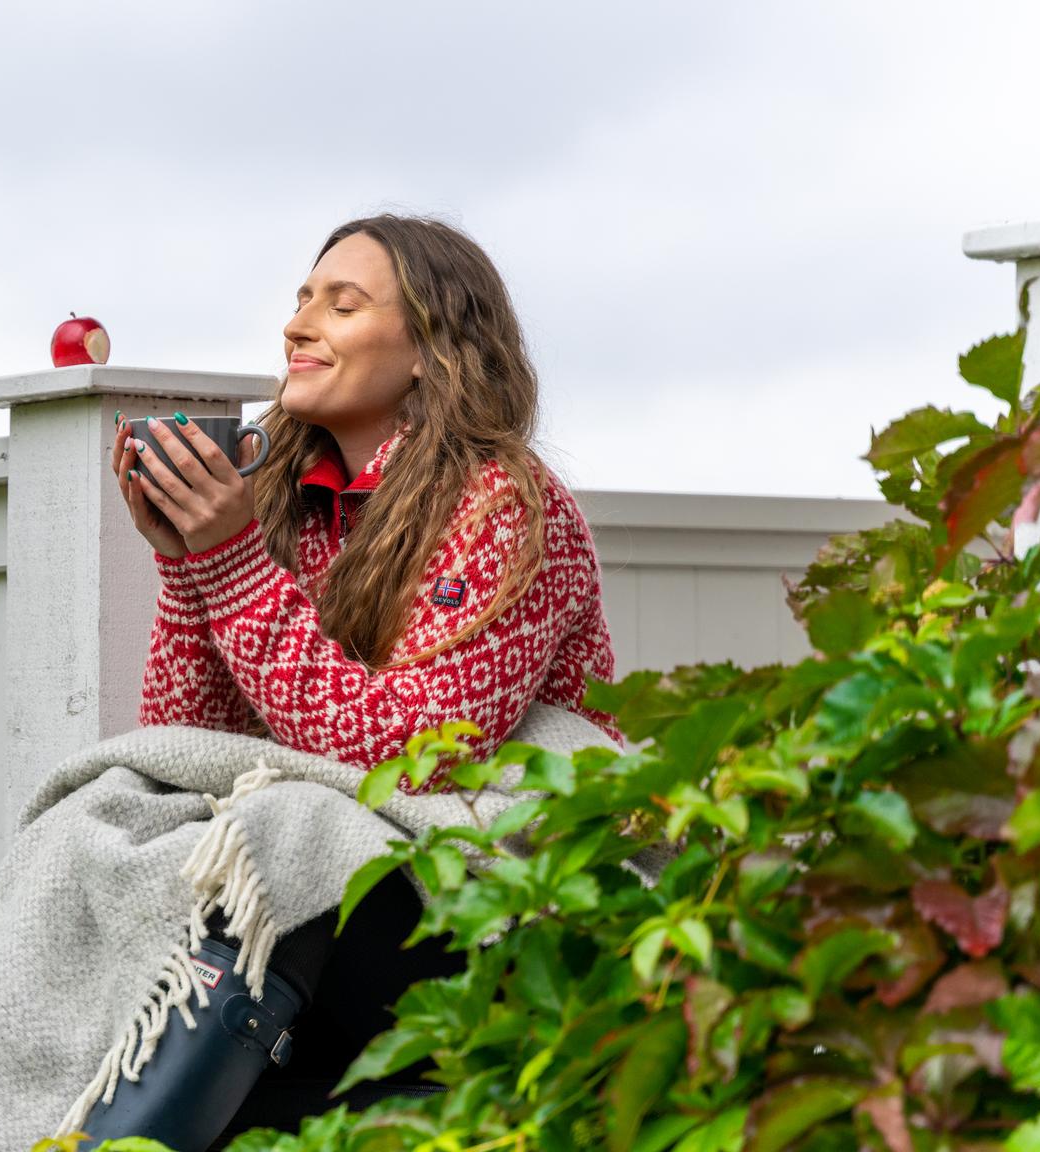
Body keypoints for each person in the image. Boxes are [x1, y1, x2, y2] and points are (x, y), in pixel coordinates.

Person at [81, 215, 620, 1149]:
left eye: (343, 304)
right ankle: (100, 1112)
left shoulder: (510, 505)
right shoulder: (285, 494)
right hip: (343, 924)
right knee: (117, 825)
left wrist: (232, 560)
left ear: (431, 352)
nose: (298, 325)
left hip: (493, 900)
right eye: (300, 301)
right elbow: (189, 744)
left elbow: (408, 756)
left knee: (287, 841)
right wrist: (187, 561)